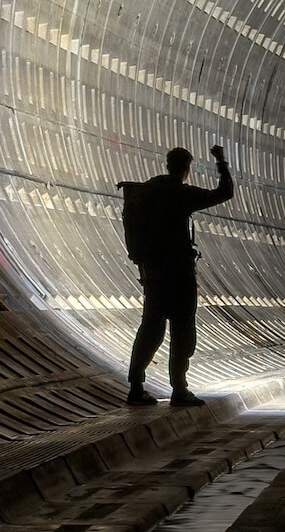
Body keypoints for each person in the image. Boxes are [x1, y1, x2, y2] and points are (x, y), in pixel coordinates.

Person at [119, 145, 233, 406]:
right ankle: (179, 390)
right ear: (185, 169)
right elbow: (224, 193)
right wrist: (221, 162)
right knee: (182, 331)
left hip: (153, 275)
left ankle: (136, 387)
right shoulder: (180, 194)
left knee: (150, 329)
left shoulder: (146, 191)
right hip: (179, 276)